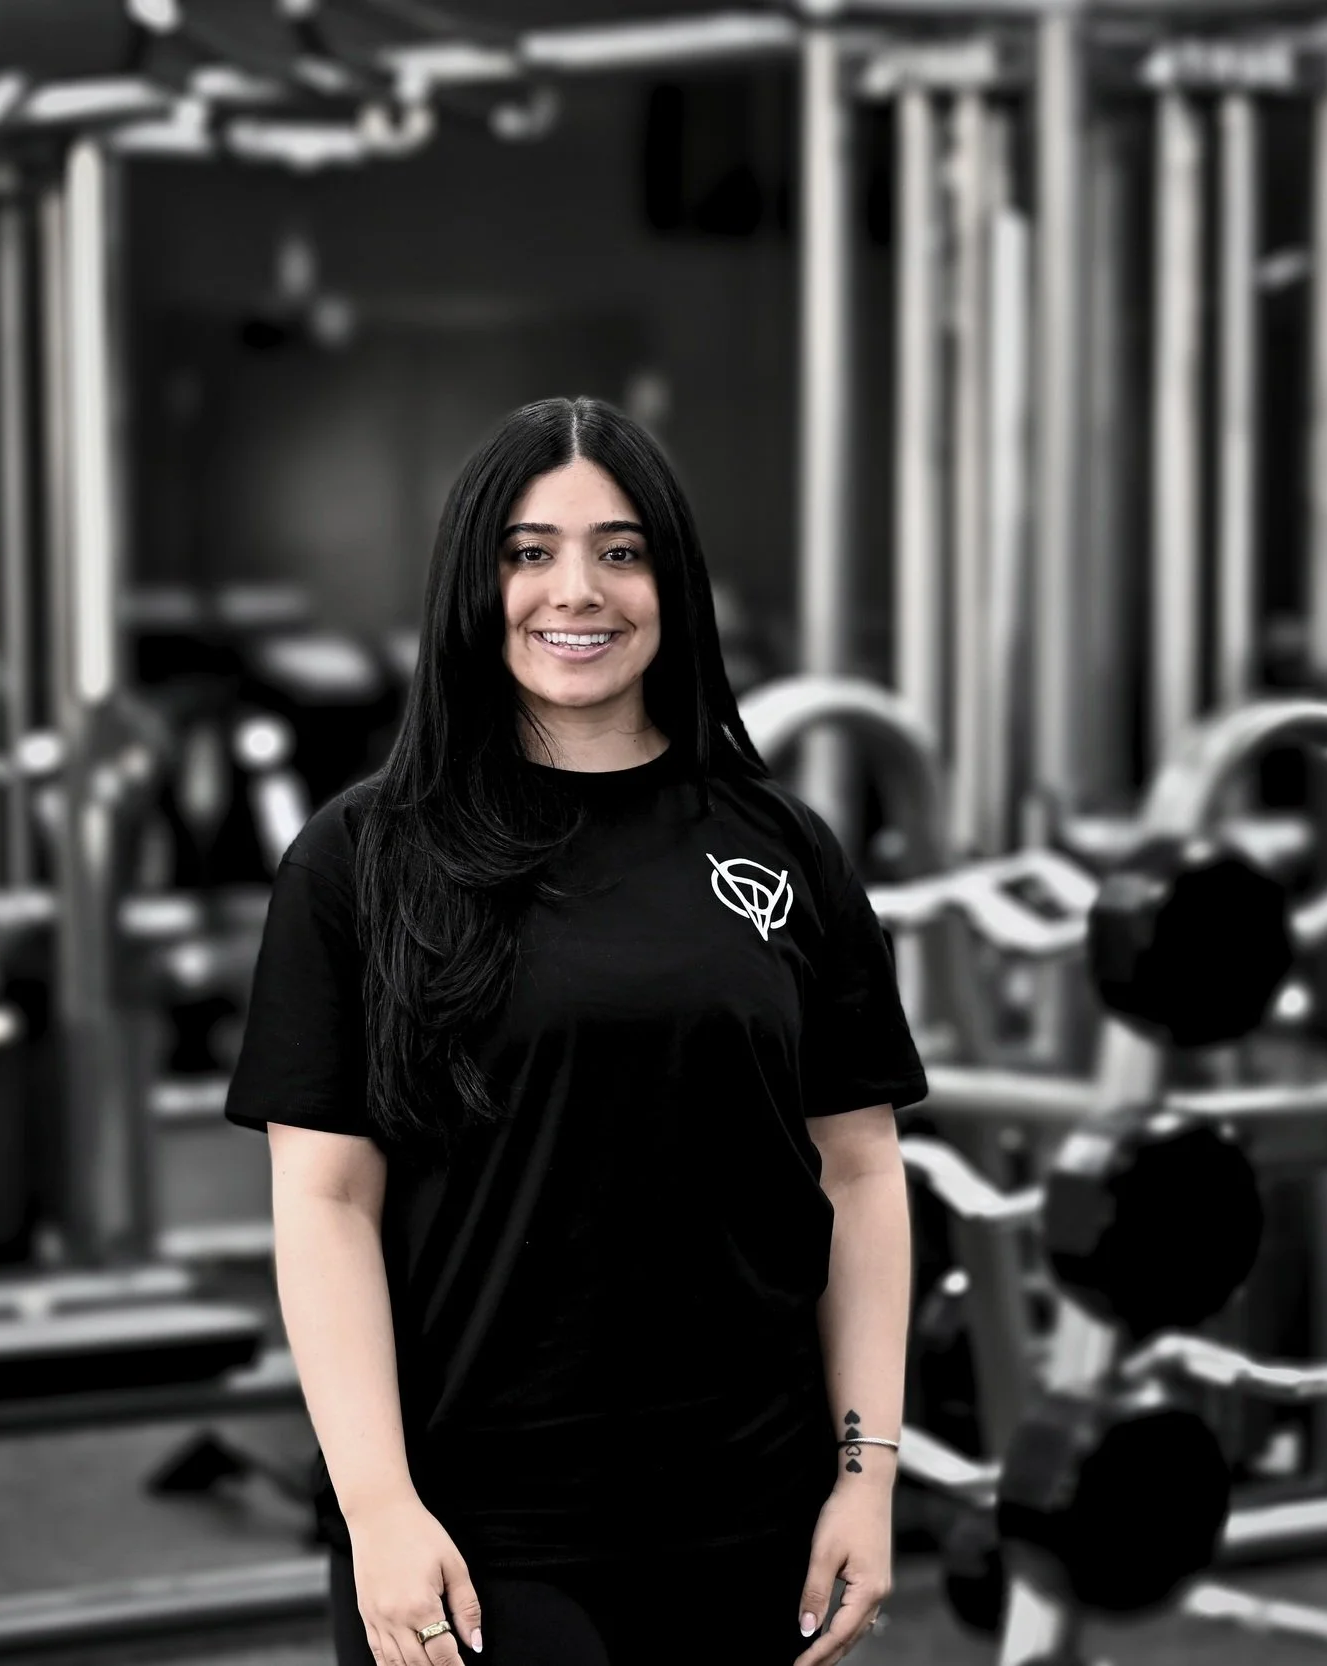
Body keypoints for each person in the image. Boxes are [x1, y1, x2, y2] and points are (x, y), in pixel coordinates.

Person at [224, 396, 924, 1666]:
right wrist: (378, 1504)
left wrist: (867, 1473)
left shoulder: (777, 843)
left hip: (744, 1509)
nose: (576, 591)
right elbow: (323, 1202)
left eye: (620, 549)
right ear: (471, 583)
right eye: (528, 551)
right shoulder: (363, 857)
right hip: (478, 1529)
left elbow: (860, 1169)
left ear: (671, 579)